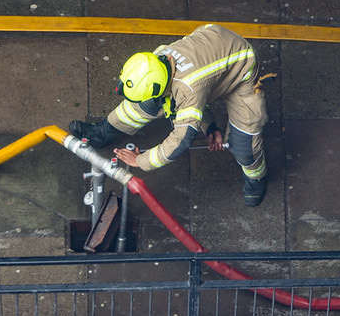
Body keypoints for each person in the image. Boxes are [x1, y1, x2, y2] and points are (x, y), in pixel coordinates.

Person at [70, 24, 270, 206]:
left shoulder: (189, 88)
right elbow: (193, 96)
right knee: (147, 104)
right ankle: (103, 132)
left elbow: (181, 139)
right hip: (213, 50)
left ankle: (255, 179)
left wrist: (141, 161)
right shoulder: (156, 59)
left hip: (241, 67)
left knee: (244, 145)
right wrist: (210, 127)